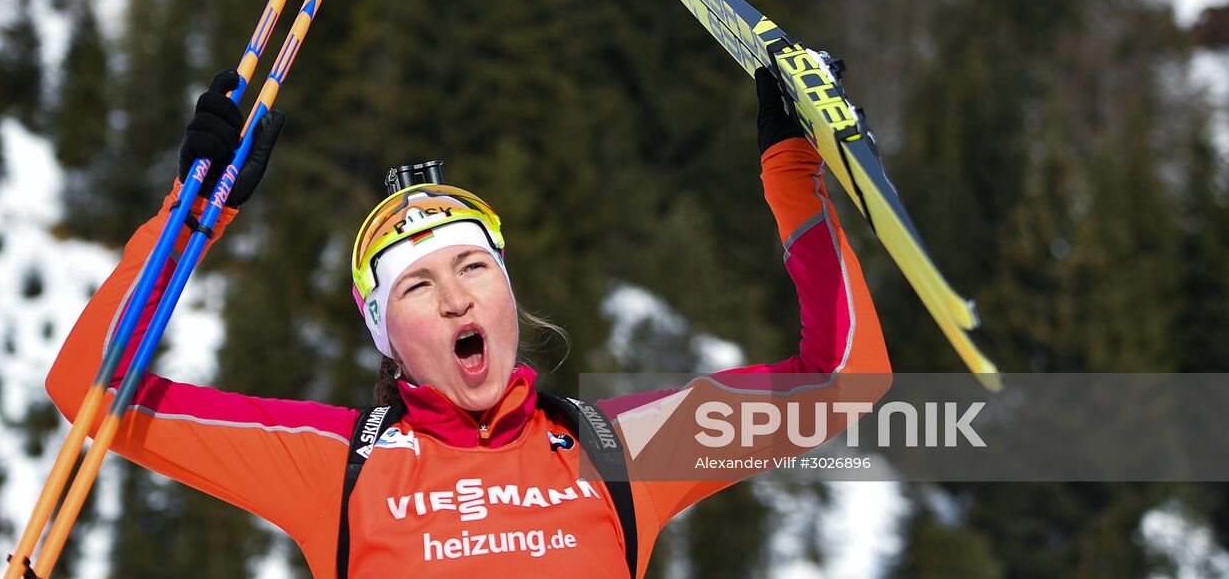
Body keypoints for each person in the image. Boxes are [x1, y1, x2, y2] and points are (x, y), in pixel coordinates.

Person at [47, 68, 890, 577]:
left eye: (473, 267)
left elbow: (843, 381)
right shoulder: (332, 469)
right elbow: (88, 386)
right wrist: (192, 217)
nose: (455, 298)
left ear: (508, 299)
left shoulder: (622, 452)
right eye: (416, 286)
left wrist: (791, 171)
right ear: (387, 335)